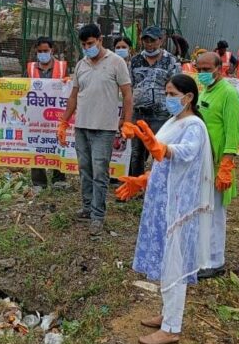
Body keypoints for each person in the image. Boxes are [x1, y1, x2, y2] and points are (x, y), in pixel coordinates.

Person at [115, 74, 214, 344]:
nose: (167, 99)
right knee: (165, 257)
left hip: (178, 205)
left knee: (175, 264)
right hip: (162, 201)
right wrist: (143, 180)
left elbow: (185, 153)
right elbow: (163, 164)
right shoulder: (174, 121)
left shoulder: (194, 126)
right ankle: (167, 313)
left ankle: (172, 328)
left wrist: (159, 147)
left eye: (172, 94)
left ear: (188, 97)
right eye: (166, 93)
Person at [58, 24, 133, 235]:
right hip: (82, 126)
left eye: (90, 43)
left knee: (100, 172)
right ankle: (87, 207)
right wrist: (64, 122)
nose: (87, 48)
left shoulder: (116, 63)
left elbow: (127, 94)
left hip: (104, 128)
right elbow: (74, 96)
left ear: (100, 40)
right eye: (83, 45)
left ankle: (98, 215)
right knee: (85, 169)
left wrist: (126, 122)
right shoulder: (81, 65)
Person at [195, 52, 239, 278]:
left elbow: (233, 132)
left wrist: (226, 163)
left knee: (215, 212)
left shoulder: (228, 94)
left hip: (217, 164)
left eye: (207, 69)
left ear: (220, 69)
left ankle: (215, 260)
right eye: (199, 70)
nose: (203, 74)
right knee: (203, 209)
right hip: (202, 161)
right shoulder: (204, 90)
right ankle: (201, 256)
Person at [127, 26, 181, 176]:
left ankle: (158, 183)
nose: (149, 44)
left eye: (152, 40)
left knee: (158, 149)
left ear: (161, 40)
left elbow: (177, 86)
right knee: (137, 152)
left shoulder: (170, 61)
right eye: (146, 40)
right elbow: (129, 86)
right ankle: (135, 184)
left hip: (161, 114)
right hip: (139, 114)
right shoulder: (135, 60)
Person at [24, 37, 68, 191]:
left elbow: (68, 87)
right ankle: (39, 182)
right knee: (36, 145)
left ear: (52, 50)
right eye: (40, 51)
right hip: (36, 115)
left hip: (56, 114)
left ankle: (59, 179)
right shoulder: (30, 68)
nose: (43, 54)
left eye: (46, 51)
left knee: (58, 144)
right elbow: (23, 86)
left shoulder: (62, 67)